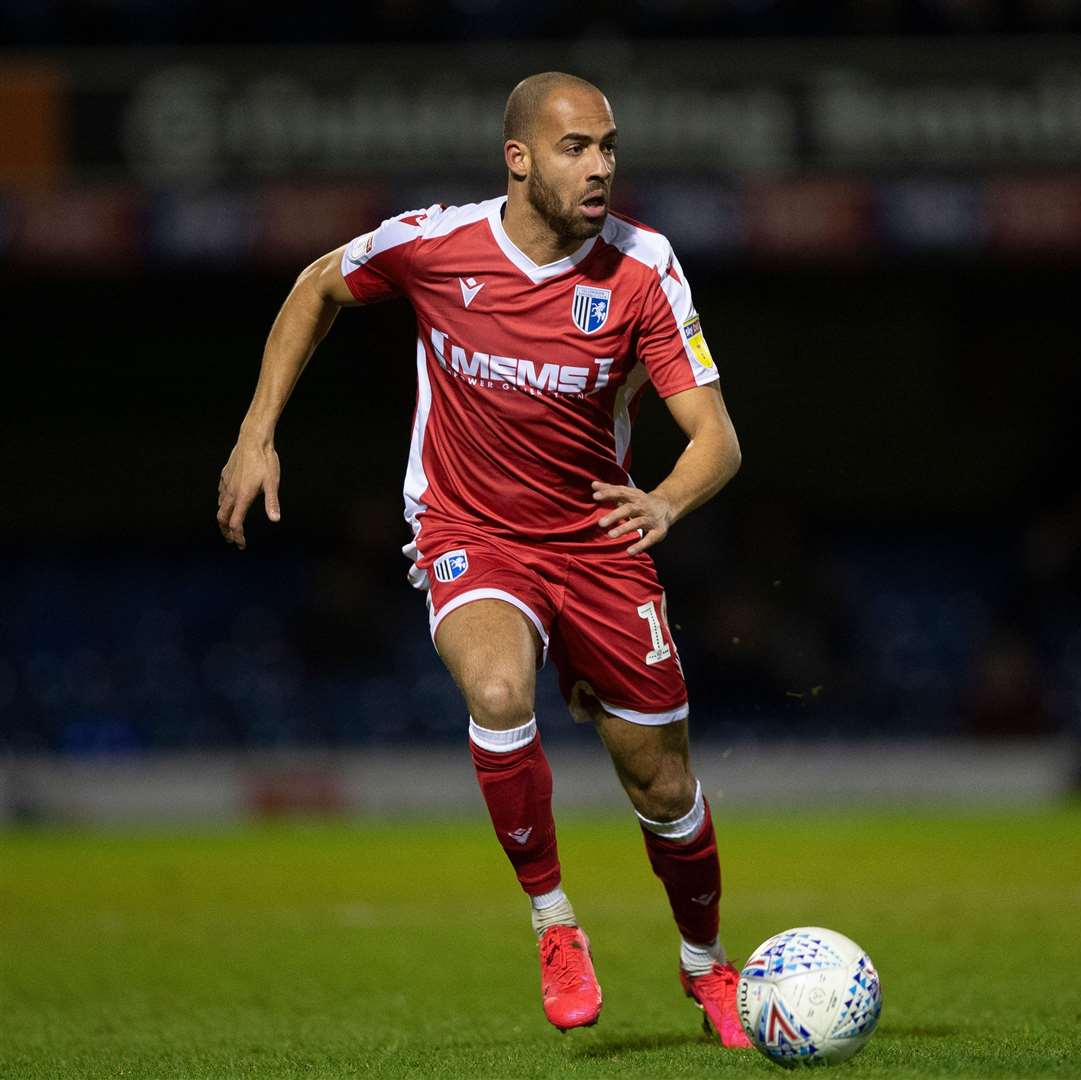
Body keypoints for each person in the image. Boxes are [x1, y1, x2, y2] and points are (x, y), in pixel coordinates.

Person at [214, 72, 747, 1046]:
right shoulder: (434, 243)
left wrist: (666, 500)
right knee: (500, 692)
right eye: (575, 147)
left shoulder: (643, 269)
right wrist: (258, 433)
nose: (600, 167)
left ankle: (706, 966)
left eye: (609, 146)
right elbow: (314, 286)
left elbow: (715, 435)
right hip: (472, 531)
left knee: (662, 786)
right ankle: (553, 921)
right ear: (518, 159)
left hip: (599, 543)